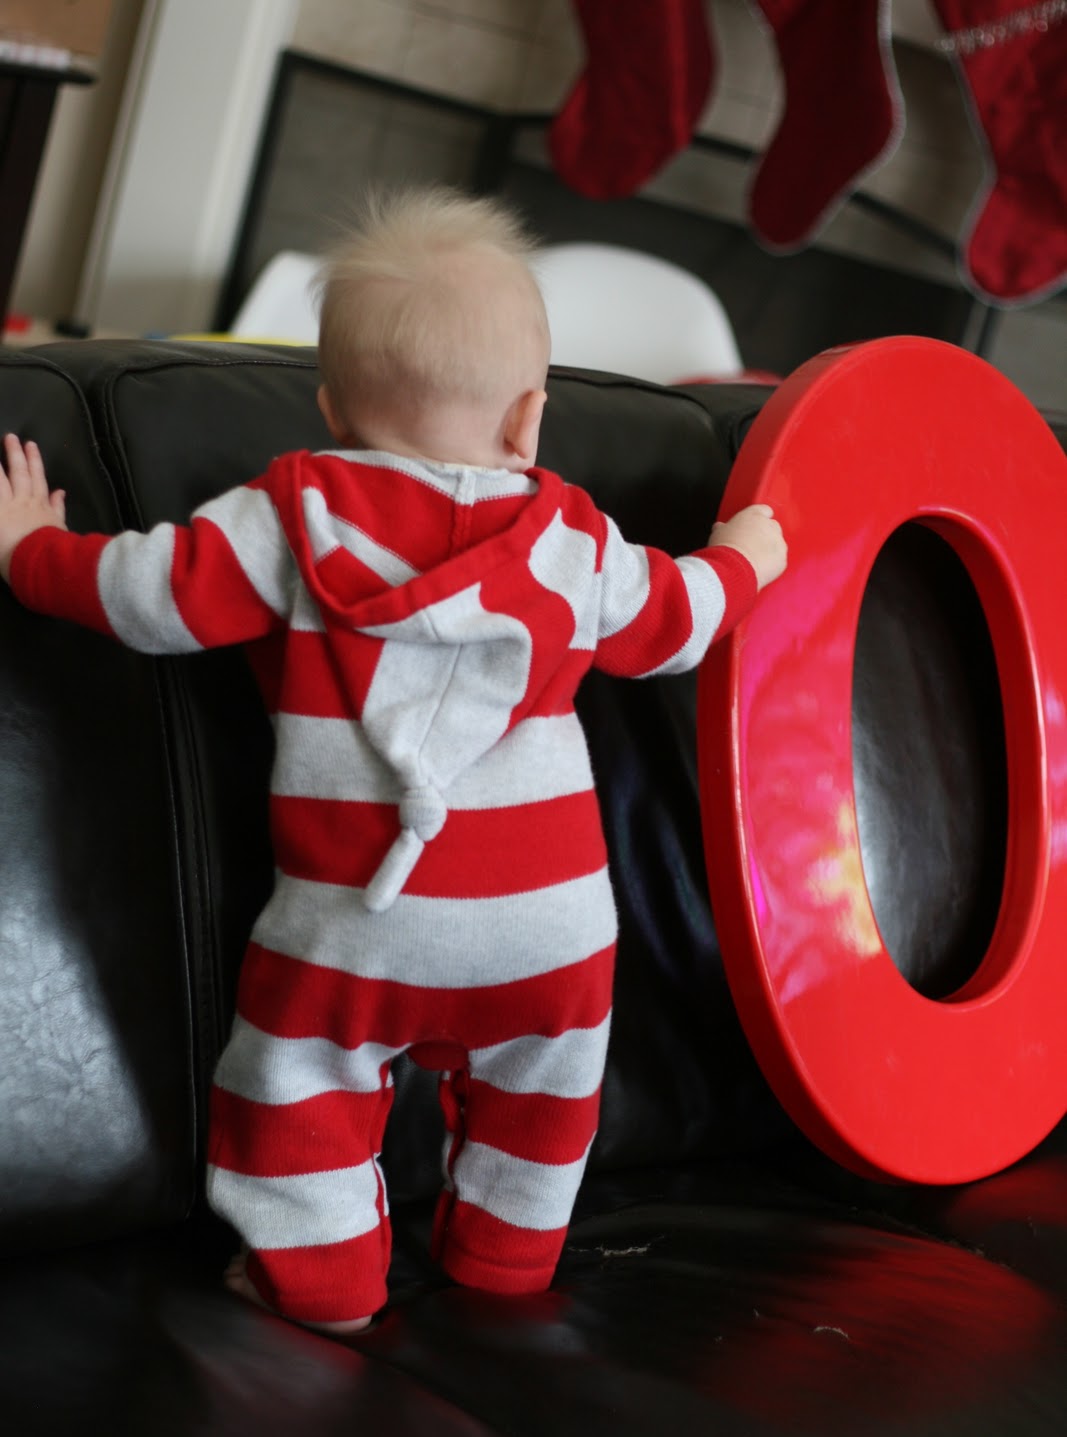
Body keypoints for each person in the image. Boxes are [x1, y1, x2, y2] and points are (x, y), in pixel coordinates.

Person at [0, 187, 786, 1337]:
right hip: (551, 933)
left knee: (296, 1086)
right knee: (542, 1099)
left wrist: (30, 549)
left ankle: (319, 1281)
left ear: (329, 409)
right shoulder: (571, 542)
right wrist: (742, 555)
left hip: (354, 925)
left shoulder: (289, 516)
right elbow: (676, 620)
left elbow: (143, 595)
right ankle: (505, 1261)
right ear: (529, 420)